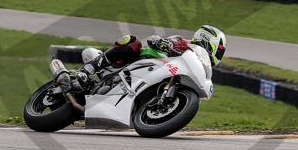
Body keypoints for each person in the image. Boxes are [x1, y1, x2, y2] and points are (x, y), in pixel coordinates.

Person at [54, 25, 227, 94]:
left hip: (148, 79)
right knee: (132, 41)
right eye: (219, 51)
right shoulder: (183, 42)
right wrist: (164, 43)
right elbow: (153, 39)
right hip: (135, 63)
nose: (218, 56)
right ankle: (87, 71)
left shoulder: (197, 66)